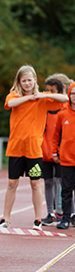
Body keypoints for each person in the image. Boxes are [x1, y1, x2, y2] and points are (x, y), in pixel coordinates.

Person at [0, 65, 68, 230]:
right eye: (24, 81)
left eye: (30, 80)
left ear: (35, 80)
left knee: (35, 184)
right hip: (15, 148)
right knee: (12, 183)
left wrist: (41, 95)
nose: (27, 83)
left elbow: (64, 100)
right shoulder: (14, 95)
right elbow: (10, 103)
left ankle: (37, 219)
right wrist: (29, 98)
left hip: (34, 150)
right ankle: (5, 218)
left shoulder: (43, 99)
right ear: (19, 82)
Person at [41, 77, 64, 225]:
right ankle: (50, 213)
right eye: (47, 91)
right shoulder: (42, 109)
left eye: (52, 92)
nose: (48, 94)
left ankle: (62, 212)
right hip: (44, 153)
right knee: (48, 183)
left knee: (62, 183)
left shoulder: (64, 108)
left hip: (61, 154)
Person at [52, 82, 75, 229]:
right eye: (73, 93)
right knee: (66, 191)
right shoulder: (62, 114)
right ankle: (65, 218)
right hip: (66, 160)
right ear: (69, 95)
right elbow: (55, 136)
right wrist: (54, 152)